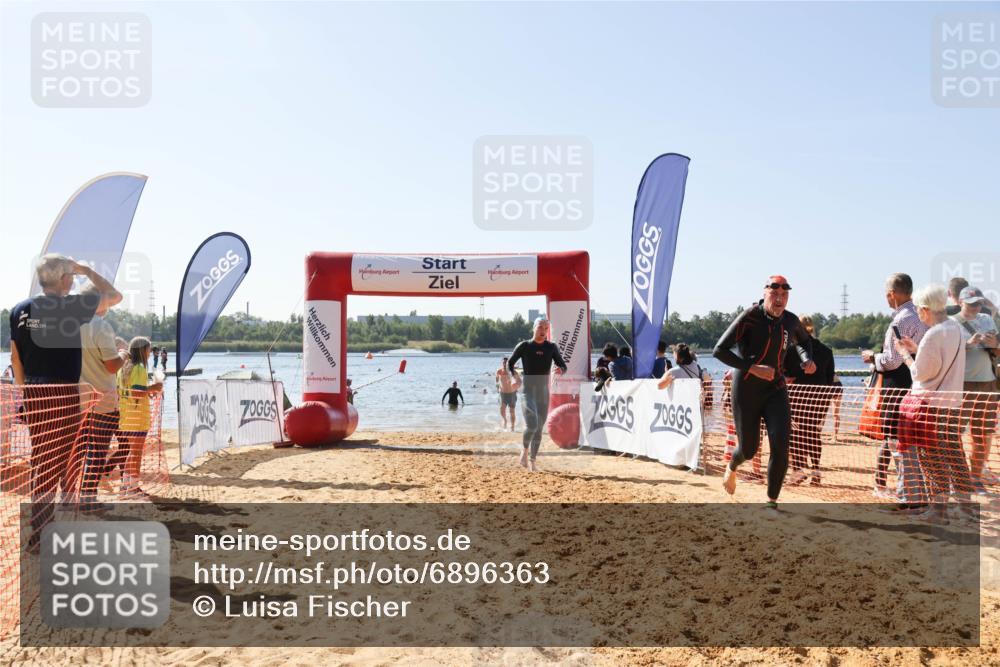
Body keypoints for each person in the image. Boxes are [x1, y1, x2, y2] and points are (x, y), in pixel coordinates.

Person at [9, 254, 121, 546]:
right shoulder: (71, 306)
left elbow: (15, 357)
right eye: (71, 276)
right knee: (57, 462)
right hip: (63, 394)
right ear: (64, 279)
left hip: (34, 391)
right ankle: (44, 532)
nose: (73, 280)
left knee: (43, 461)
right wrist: (87, 269)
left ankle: (45, 526)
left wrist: (25, 391)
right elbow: (114, 295)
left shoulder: (20, 309)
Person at [713, 276, 815, 507]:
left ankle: (772, 501)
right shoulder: (750, 317)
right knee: (748, 450)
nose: (779, 300)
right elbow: (719, 350)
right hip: (746, 387)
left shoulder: (790, 320)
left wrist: (806, 359)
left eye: (784, 295)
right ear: (765, 293)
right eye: (774, 294)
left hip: (775, 388)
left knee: (781, 444)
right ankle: (732, 465)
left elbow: (804, 341)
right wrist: (753, 368)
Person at [895, 284, 975, 524]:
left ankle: (938, 512)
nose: (919, 315)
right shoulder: (954, 328)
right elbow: (941, 360)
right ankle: (966, 508)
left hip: (930, 405)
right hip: (952, 403)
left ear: (924, 309)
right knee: (954, 453)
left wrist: (905, 355)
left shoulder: (934, 333)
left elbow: (921, 373)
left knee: (930, 457)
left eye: (920, 311)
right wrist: (918, 349)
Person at [862, 273, 928, 502]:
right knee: (910, 437)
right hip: (918, 383)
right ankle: (895, 484)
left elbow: (891, 361)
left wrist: (872, 357)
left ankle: (899, 488)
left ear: (892, 294)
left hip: (896, 384)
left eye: (886, 295)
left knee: (891, 435)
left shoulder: (898, 321)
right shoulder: (922, 316)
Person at [78, 282, 130, 510]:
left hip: (75, 400)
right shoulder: (100, 326)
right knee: (97, 452)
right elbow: (111, 366)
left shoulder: (68, 325)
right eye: (107, 299)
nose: (111, 303)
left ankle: (74, 499)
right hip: (102, 400)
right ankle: (88, 500)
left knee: (77, 453)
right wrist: (124, 353)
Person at [951, 286, 999, 493]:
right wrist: (967, 344)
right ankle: (959, 479)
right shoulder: (952, 323)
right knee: (954, 434)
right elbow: (946, 352)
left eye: (978, 303)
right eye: (971, 304)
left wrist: (994, 343)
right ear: (960, 303)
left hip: (988, 383)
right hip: (961, 384)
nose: (975, 307)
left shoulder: (987, 320)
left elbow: (998, 350)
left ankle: (976, 478)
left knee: (982, 434)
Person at [508, 316, 567, 472]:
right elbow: (510, 363)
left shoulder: (551, 347)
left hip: (543, 392)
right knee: (532, 424)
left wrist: (561, 370)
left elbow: (562, 364)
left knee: (539, 428)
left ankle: (533, 461)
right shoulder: (524, 346)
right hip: (527, 391)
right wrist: (515, 377)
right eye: (540, 327)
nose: (543, 331)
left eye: (546, 328)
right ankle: (525, 450)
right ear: (534, 328)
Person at [783, 315, 835, 486]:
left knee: (796, 435)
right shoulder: (826, 351)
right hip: (819, 400)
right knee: (813, 434)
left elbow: (783, 373)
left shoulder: (791, 350)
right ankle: (816, 471)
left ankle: (798, 471)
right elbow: (830, 380)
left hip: (797, 399)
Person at [113, 336, 162, 499]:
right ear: (143, 350)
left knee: (131, 452)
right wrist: (154, 387)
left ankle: (125, 487)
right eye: (149, 349)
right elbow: (137, 392)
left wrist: (148, 391)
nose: (150, 353)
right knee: (136, 453)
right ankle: (133, 488)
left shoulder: (123, 367)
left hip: (126, 416)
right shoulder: (139, 368)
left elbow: (133, 392)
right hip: (137, 417)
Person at [495, 356, 521, 431]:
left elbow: (519, 381)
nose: (504, 364)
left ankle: (512, 427)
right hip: (502, 393)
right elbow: (496, 380)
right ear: (502, 363)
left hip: (512, 393)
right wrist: (497, 386)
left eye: (506, 363)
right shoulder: (499, 371)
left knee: (512, 411)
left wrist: (516, 386)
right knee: (502, 409)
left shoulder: (513, 372)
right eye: (503, 362)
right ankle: (505, 420)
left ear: (508, 364)